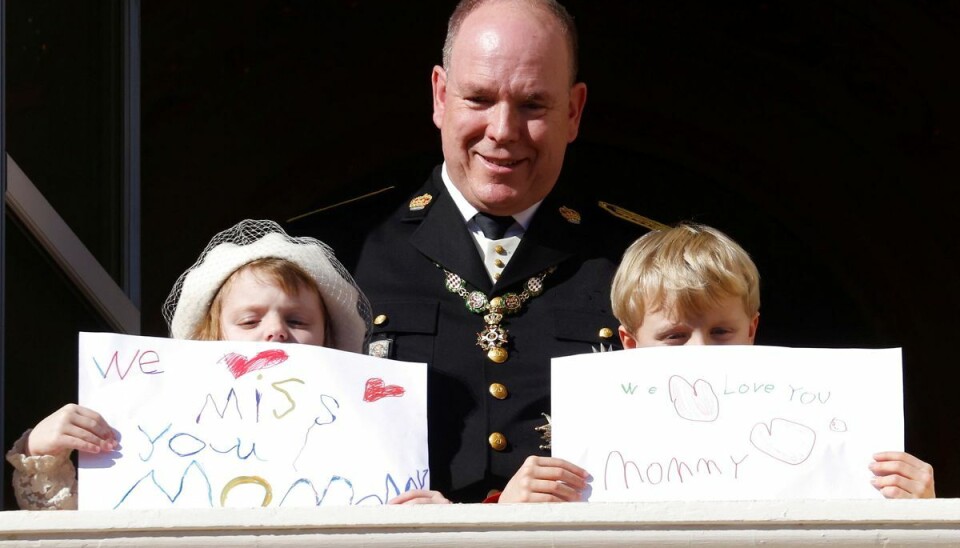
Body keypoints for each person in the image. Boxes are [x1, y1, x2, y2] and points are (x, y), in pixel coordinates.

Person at [293, 0, 652, 504]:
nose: (503, 131)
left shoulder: (639, 260)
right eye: (480, 99)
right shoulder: (333, 252)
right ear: (440, 96)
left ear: (573, 111)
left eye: (533, 105)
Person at [5, 219, 449, 509]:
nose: (274, 332)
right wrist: (43, 452)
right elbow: (73, 527)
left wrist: (433, 523)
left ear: (329, 341)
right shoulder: (154, 428)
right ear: (210, 337)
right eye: (250, 320)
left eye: (297, 320)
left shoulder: (369, 441)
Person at [604, 222, 934, 499]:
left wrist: (922, 509)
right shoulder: (601, 450)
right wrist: (552, 508)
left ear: (751, 329)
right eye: (674, 336)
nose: (700, 351)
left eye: (721, 332)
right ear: (630, 344)